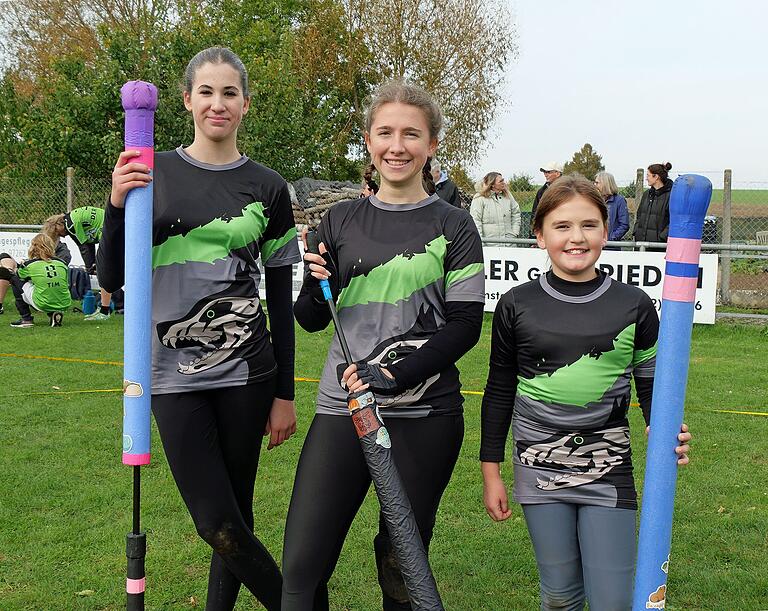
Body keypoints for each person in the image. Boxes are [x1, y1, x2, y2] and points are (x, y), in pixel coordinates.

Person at [98, 46, 300, 611]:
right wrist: (117, 206)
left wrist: (283, 392)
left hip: (248, 374)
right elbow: (113, 278)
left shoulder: (269, 188)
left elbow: (280, 301)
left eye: (229, 93)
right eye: (206, 92)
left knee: (237, 510)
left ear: (245, 103)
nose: (218, 104)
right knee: (215, 521)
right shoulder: (149, 170)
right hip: (169, 376)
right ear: (186, 99)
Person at [282, 80, 485, 610]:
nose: (398, 146)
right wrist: (313, 278)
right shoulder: (340, 219)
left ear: (432, 144)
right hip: (341, 406)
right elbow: (308, 319)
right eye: (386, 132)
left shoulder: (455, 224)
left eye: (411, 134)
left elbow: (465, 326)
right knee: (302, 568)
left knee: (401, 564)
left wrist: (395, 375)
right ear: (369, 141)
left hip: (426, 413)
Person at [480, 175, 692, 610]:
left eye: (589, 225)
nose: (576, 238)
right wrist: (491, 472)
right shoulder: (516, 305)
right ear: (539, 235)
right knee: (559, 596)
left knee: (612, 600)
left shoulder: (633, 305)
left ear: (606, 231)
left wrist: (665, 427)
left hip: (608, 468)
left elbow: (652, 384)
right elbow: (499, 389)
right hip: (538, 468)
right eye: (562, 226)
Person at [48, 208, 113, 320]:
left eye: (58, 233)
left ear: (59, 225)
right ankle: (106, 308)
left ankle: (105, 311)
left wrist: (89, 266)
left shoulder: (70, 226)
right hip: (109, 225)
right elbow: (88, 243)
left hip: (107, 229)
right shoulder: (70, 219)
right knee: (105, 270)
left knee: (105, 271)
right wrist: (92, 264)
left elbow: (84, 247)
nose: (62, 236)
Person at [0, 234, 71, 327]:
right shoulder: (62, 263)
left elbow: (20, 276)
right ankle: (54, 314)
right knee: (49, 287)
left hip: (42, 303)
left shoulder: (30, 264)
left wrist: (16, 267)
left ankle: (26, 319)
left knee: (14, 279)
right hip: (64, 302)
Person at [470, 172, 521, 239]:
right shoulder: (479, 198)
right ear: (492, 184)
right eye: (501, 181)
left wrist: (514, 233)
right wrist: (480, 241)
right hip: (489, 243)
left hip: (509, 242)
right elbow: (476, 220)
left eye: (503, 180)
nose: (504, 183)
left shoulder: (508, 196)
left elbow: (516, 213)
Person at [633, 162, 673, 246]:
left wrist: (662, 237)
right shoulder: (646, 194)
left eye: (648, 175)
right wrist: (636, 231)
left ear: (656, 177)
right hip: (641, 243)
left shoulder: (671, 196)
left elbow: (673, 220)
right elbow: (639, 215)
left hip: (659, 246)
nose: (646, 178)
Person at [594, 171, 630, 246]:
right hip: (595, 244)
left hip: (611, 246)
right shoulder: (594, 200)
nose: (594, 185)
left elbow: (624, 225)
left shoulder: (619, 201)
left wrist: (611, 239)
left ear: (605, 184)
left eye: (597, 183)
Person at [530, 161, 563, 234]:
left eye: (548, 172)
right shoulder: (541, 191)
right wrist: (532, 236)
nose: (545, 175)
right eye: (544, 172)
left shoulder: (568, 190)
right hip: (546, 230)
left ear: (557, 173)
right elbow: (535, 212)